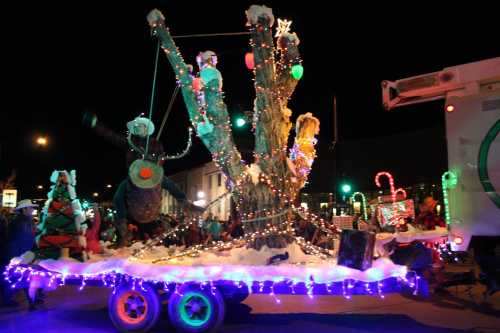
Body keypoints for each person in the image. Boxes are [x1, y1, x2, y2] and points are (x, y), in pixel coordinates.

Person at [3, 200, 41, 308]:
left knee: (20, 278)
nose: (33, 210)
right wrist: (18, 256)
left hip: (22, 254)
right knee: (18, 278)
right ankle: (30, 301)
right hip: (19, 254)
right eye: (30, 208)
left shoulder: (25, 221)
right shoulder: (20, 222)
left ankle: (31, 300)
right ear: (24, 209)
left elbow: (29, 238)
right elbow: (19, 239)